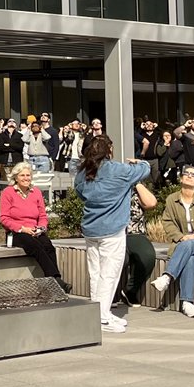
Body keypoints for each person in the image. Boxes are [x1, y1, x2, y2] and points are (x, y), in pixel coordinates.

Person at [75, 135, 152, 333]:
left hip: (90, 228)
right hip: (112, 229)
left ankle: (101, 313)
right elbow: (145, 169)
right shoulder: (119, 169)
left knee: (96, 273)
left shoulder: (82, 171)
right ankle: (101, 317)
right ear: (109, 149)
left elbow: (80, 194)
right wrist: (139, 161)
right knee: (109, 274)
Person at [151, 167, 194, 317]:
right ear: (181, 179)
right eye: (185, 174)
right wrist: (181, 237)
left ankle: (167, 276)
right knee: (191, 258)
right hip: (182, 245)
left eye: (193, 175)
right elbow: (168, 222)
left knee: (190, 245)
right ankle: (187, 303)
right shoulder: (172, 199)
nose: (189, 176)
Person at [0, 162, 70, 292]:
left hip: (35, 230)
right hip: (16, 233)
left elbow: (42, 215)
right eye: (22, 175)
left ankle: (55, 280)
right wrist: (22, 228)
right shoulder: (7, 193)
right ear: (16, 177)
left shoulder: (36, 192)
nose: (26, 178)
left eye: (28, 175)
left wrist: (41, 228)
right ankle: (56, 280)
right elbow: (4, 218)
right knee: (36, 246)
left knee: (48, 245)